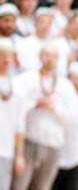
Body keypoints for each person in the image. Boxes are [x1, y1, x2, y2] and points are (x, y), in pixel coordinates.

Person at [13, 43, 78, 190]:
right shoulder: (26, 79)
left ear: (59, 59)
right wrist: (35, 104)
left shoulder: (66, 85)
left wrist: (54, 108)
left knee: (43, 186)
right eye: (47, 55)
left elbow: (74, 117)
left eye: (54, 56)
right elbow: (15, 107)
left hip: (53, 144)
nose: (50, 59)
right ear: (40, 56)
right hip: (29, 140)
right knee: (20, 185)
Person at [53, 62, 78, 190]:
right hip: (57, 152)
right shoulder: (58, 95)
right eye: (74, 78)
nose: (77, 82)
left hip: (76, 156)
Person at [0, 39, 26, 190]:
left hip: (6, 150)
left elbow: (20, 125)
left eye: (9, 55)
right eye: (2, 55)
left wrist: (19, 154)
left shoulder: (18, 86)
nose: (6, 59)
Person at [16, 8, 70, 76]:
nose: (46, 25)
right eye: (42, 22)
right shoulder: (24, 43)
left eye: (49, 23)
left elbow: (63, 67)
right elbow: (24, 66)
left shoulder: (59, 42)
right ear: (35, 23)